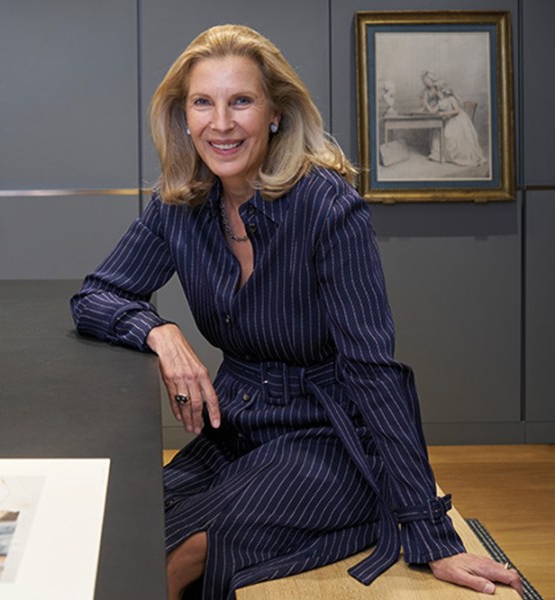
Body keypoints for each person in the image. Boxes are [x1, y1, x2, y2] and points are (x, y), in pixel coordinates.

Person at [70, 25, 521, 600]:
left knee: (181, 556)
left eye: (242, 101)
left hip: (331, 439)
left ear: (276, 113)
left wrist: (432, 534)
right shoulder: (179, 203)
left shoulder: (329, 208)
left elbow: (374, 373)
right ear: (183, 117)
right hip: (235, 430)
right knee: (132, 525)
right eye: (203, 103)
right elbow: (95, 296)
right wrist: (160, 332)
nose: (222, 123)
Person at [427, 84, 486, 167]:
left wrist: (444, 113)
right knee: (437, 132)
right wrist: (425, 103)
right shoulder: (439, 102)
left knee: (451, 134)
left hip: (456, 120)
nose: (436, 93)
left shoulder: (451, 99)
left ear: (442, 92)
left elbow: (457, 111)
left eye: (437, 91)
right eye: (436, 92)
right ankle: (443, 155)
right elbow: (432, 111)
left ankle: (456, 156)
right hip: (447, 120)